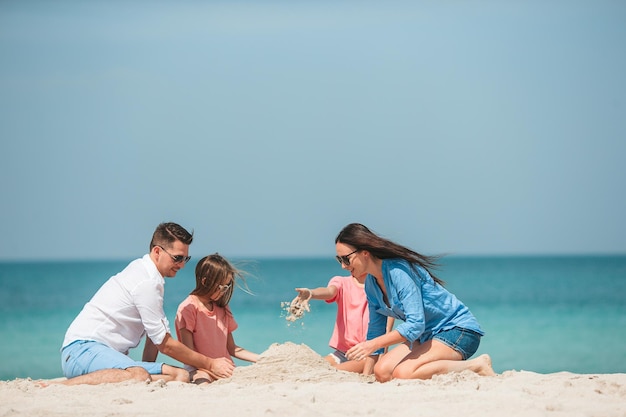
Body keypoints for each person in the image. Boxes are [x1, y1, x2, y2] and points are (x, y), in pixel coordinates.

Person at [59, 222, 235, 385]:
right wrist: (211, 363)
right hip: (82, 350)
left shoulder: (149, 275)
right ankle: (59, 386)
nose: (181, 265)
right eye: (177, 258)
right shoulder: (147, 282)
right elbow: (165, 345)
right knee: (140, 374)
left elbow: (154, 338)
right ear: (157, 251)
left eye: (185, 259)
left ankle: (133, 374)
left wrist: (148, 367)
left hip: (96, 354)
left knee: (178, 375)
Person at [334, 223, 496, 382]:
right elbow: (376, 330)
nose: (342, 266)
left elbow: (415, 324)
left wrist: (371, 344)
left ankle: (476, 366)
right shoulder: (371, 284)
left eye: (346, 259)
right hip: (424, 336)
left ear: (365, 253)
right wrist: (366, 375)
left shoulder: (399, 272)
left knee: (403, 373)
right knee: (381, 372)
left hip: (457, 331)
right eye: (339, 259)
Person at [175, 253, 259, 383]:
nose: (224, 291)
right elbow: (189, 355)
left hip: (225, 369)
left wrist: (261, 358)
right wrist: (212, 368)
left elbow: (233, 349)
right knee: (203, 381)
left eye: (227, 287)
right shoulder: (188, 308)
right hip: (199, 370)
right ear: (205, 281)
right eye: (221, 287)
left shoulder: (223, 308)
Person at [291, 274, 394, 374]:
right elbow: (329, 292)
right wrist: (311, 293)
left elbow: (387, 327)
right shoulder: (342, 282)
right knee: (313, 367)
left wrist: (382, 351)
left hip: (366, 354)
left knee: (333, 372)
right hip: (341, 353)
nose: (344, 265)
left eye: (347, 260)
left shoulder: (379, 287)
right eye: (341, 260)